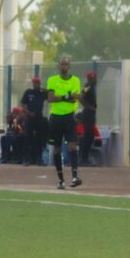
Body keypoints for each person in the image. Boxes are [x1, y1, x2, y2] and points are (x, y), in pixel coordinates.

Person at [47, 55, 82, 189]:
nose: (63, 66)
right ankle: (61, 180)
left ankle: (74, 176)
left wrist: (63, 97)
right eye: (61, 64)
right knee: (57, 148)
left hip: (69, 117)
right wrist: (67, 96)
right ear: (58, 66)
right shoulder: (52, 80)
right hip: (56, 117)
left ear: (69, 66)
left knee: (72, 146)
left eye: (66, 64)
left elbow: (75, 98)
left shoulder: (75, 80)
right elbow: (51, 98)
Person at [21, 77, 48, 166]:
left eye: (37, 83)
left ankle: (39, 159)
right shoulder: (28, 92)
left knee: (40, 138)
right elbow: (23, 104)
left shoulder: (42, 93)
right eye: (34, 83)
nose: (36, 84)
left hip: (39, 117)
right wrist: (28, 112)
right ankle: (26, 159)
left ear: (39, 84)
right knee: (27, 138)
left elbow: (51, 95)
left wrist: (45, 89)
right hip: (29, 117)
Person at [79, 71, 98, 166]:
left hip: (91, 114)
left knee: (90, 137)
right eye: (92, 78)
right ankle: (83, 159)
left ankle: (85, 159)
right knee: (88, 137)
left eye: (94, 78)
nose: (95, 80)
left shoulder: (92, 87)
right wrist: (88, 106)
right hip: (87, 114)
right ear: (89, 79)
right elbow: (80, 97)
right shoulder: (88, 86)